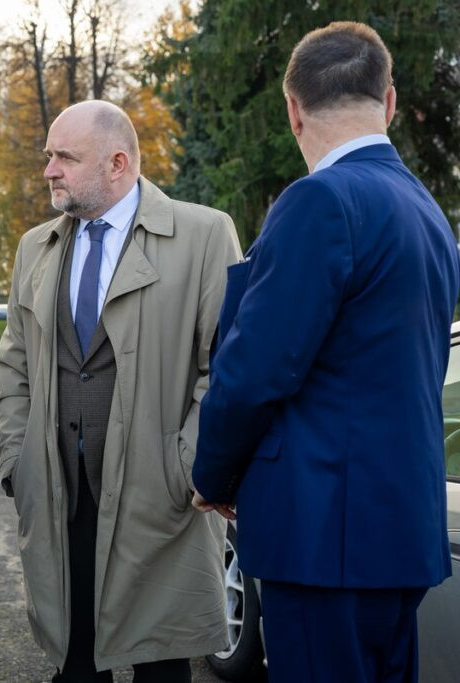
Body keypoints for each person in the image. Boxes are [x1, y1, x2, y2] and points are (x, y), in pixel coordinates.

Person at [192, 22, 460, 683]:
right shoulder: (427, 210)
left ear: (292, 108)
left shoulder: (321, 201)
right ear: (389, 101)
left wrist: (214, 475)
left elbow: (257, 368)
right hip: (401, 528)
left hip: (324, 533)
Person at [0, 99, 241, 682]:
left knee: (162, 664)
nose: (49, 169)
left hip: (162, 497)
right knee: (74, 662)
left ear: (118, 163)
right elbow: (15, 362)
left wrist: (190, 467)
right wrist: (16, 461)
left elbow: (226, 367)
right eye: (48, 156)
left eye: (64, 157)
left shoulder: (204, 234)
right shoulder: (36, 246)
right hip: (59, 492)